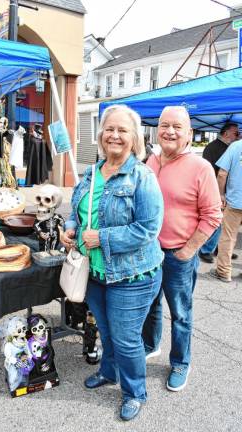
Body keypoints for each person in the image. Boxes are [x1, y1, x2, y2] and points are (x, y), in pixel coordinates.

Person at [60, 104, 164, 421]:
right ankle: (109, 372)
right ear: (101, 135)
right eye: (109, 129)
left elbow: (148, 229)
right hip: (96, 273)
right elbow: (75, 209)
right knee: (106, 332)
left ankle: (135, 393)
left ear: (134, 138)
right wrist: (70, 229)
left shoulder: (142, 177)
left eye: (122, 130)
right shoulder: (92, 173)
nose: (114, 135)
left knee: (127, 339)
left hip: (132, 276)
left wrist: (101, 238)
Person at [142, 106, 222, 392]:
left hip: (179, 255)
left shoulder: (201, 168)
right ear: (157, 129)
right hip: (148, 253)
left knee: (180, 313)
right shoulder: (149, 162)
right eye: (165, 125)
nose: (170, 131)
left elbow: (213, 215)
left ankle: (180, 362)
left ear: (190, 133)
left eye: (177, 126)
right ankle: (150, 345)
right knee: (150, 306)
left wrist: (189, 251)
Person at [199, 122, 239, 263]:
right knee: (217, 221)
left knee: (224, 223)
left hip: (225, 190)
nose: (238, 136)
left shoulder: (228, 147)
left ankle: (219, 249)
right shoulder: (214, 147)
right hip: (215, 189)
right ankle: (206, 249)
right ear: (226, 133)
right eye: (236, 133)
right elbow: (212, 171)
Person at [209, 139, 242, 282]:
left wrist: (220, 194)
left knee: (228, 237)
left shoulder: (236, 146)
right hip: (235, 200)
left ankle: (223, 272)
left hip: (235, 201)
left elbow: (222, 173)